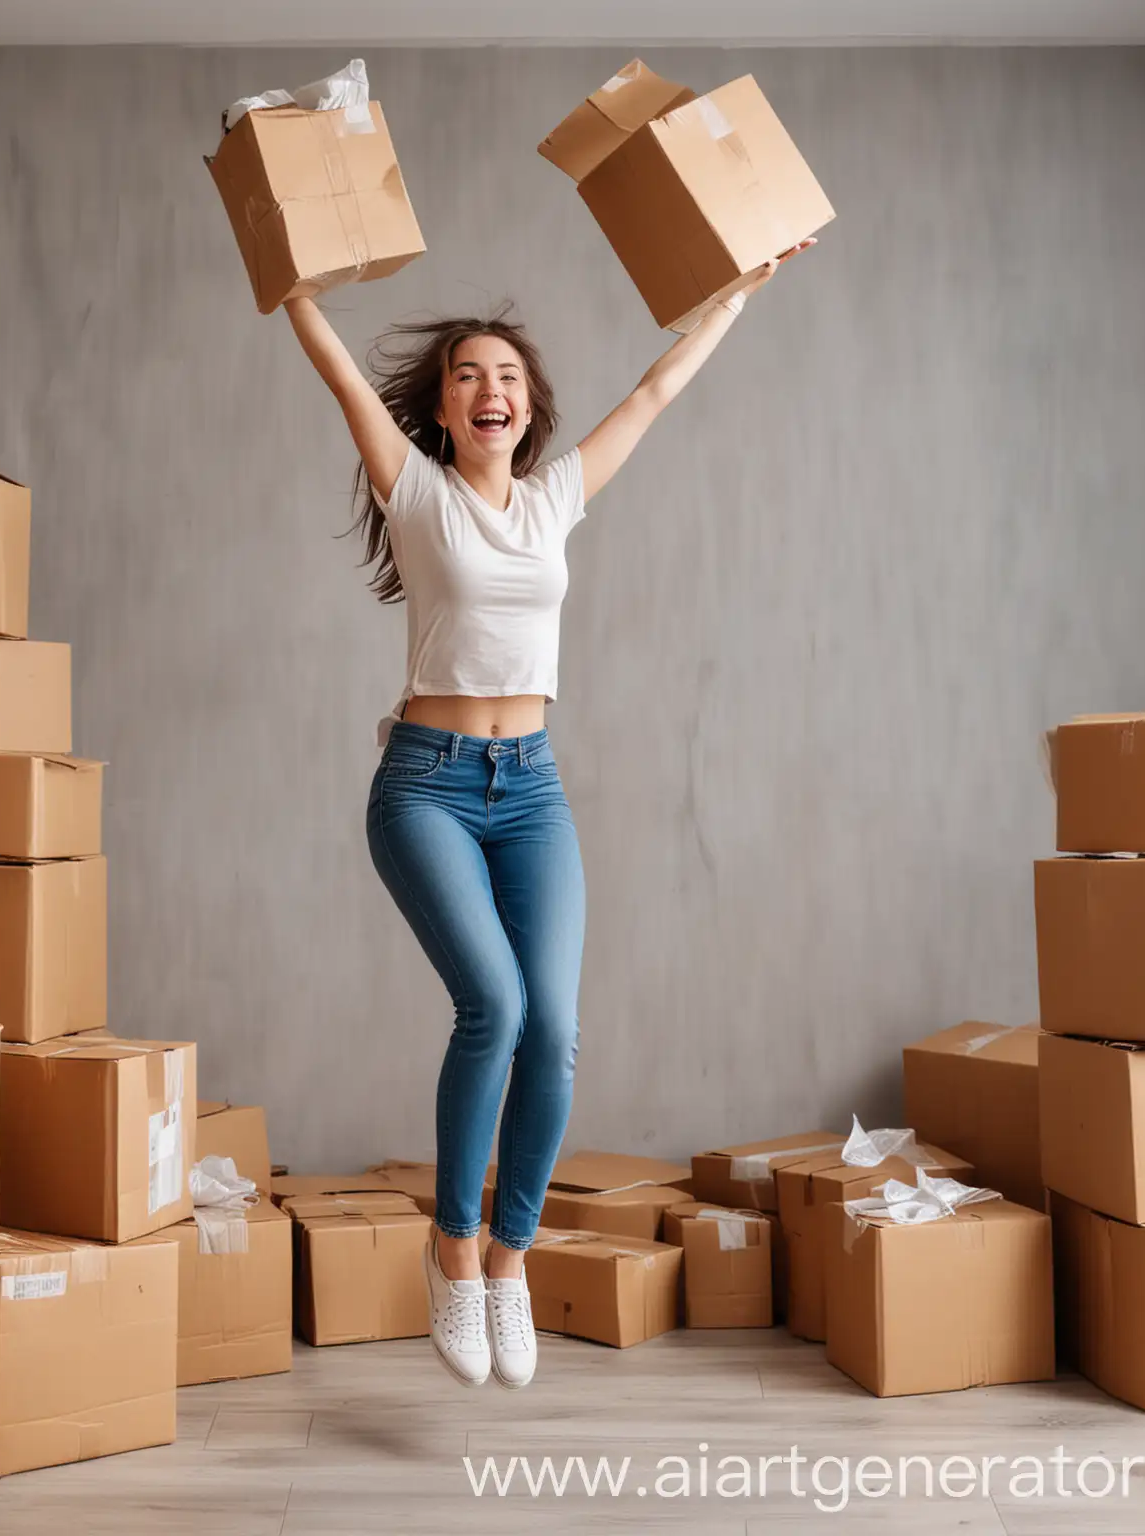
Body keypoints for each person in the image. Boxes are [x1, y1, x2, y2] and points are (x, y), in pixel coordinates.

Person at [284, 242, 814, 1389]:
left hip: (530, 789)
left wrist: (738, 291)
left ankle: (510, 1259)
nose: (492, 390)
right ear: (443, 406)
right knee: (497, 1006)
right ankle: (453, 1247)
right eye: (470, 376)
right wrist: (296, 292)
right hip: (425, 785)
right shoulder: (417, 492)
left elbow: (658, 390)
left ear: (528, 410)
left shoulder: (557, 495)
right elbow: (336, 377)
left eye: (509, 378)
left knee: (556, 1033)